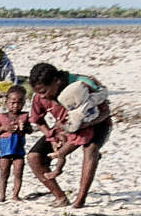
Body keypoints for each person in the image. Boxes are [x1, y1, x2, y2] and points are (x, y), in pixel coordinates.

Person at [25, 62, 112, 208]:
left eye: (45, 91)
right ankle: (60, 197)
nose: (42, 96)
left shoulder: (82, 85)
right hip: (65, 127)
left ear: (56, 81)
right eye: (39, 93)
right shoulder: (40, 96)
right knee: (33, 157)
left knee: (90, 150)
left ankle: (80, 200)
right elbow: (38, 120)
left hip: (96, 124)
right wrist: (51, 137)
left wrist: (83, 125)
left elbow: (106, 112)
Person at [0, 83, 30, 202]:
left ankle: (15, 195)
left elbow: (30, 130)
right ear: (7, 102)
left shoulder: (24, 116)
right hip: (5, 151)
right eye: (13, 102)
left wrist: (24, 127)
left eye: (19, 102)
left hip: (19, 151)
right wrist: (4, 128)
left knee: (18, 173)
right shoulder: (1, 117)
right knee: (4, 173)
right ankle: (2, 195)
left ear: (23, 103)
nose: (16, 105)